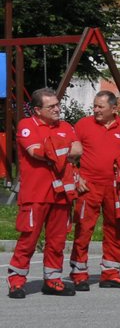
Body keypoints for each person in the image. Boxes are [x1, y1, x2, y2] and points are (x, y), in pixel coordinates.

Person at [8, 87, 82, 298]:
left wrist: (54, 149)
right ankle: (16, 281)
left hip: (61, 194)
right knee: (28, 239)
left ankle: (53, 280)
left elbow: (78, 150)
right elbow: (36, 152)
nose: (58, 109)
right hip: (36, 194)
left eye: (58, 104)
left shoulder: (66, 126)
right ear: (37, 110)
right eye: (52, 106)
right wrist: (62, 150)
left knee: (57, 241)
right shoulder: (26, 126)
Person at [70, 90, 120, 289]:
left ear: (113, 108)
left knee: (115, 229)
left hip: (116, 188)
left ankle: (110, 273)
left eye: (100, 107)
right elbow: (70, 156)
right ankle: (79, 273)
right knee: (84, 229)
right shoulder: (83, 124)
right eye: (94, 106)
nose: (96, 110)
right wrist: (77, 176)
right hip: (88, 187)